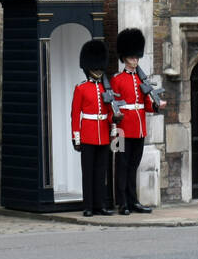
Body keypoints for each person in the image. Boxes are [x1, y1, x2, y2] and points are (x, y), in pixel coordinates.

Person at [111, 28, 165, 215]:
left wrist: (157, 106)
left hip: (139, 129)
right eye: (132, 57)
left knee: (134, 165)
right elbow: (114, 106)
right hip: (122, 130)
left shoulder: (141, 80)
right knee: (122, 165)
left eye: (136, 57)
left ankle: (133, 201)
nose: (135, 60)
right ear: (124, 58)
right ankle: (122, 202)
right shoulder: (117, 80)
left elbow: (145, 105)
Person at [71, 39, 116, 217]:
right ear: (88, 67)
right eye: (95, 67)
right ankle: (88, 206)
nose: (98, 70)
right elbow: (75, 115)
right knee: (88, 173)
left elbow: (110, 113)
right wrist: (76, 138)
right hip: (88, 135)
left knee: (101, 172)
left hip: (104, 135)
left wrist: (114, 129)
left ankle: (100, 205)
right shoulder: (81, 88)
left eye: (99, 67)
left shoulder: (107, 89)